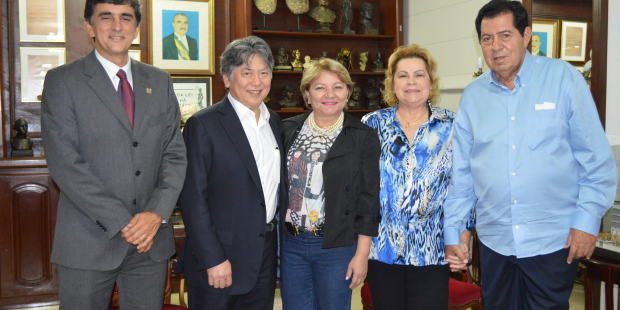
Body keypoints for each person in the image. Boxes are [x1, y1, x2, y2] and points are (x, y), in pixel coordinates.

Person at [443, 1, 617, 309]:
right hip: (495, 243)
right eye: (487, 38)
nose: (496, 46)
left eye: (505, 35)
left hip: (552, 241)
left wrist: (587, 223)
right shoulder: (473, 97)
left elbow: (596, 162)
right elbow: (462, 175)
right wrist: (457, 229)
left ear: (526, 36)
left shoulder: (564, 80)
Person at [40, 0, 187, 309]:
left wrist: (155, 215)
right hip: (88, 241)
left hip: (150, 242)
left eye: (126, 18)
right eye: (106, 18)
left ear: (137, 28)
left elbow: (174, 155)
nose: (117, 26)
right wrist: (125, 223)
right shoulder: (63, 81)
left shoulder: (159, 81)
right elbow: (65, 164)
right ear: (90, 27)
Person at [178, 35, 285, 310]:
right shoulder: (204, 125)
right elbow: (193, 199)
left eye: (264, 73)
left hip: (264, 255)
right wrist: (212, 258)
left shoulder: (276, 123)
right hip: (219, 258)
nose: (257, 81)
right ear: (227, 78)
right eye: (247, 73)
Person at [361, 44, 464, 310]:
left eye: (419, 74)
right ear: (392, 82)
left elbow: (463, 187)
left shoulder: (451, 126)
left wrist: (462, 237)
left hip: (432, 249)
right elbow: (359, 188)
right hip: (382, 249)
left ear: (431, 81)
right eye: (403, 75)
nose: (411, 82)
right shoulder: (371, 125)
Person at [280, 58, 380, 310]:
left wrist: (362, 254)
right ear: (307, 93)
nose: (329, 94)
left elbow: (369, 199)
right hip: (292, 245)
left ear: (348, 92)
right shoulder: (287, 129)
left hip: (337, 246)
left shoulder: (362, 136)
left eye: (337, 87)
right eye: (320, 87)